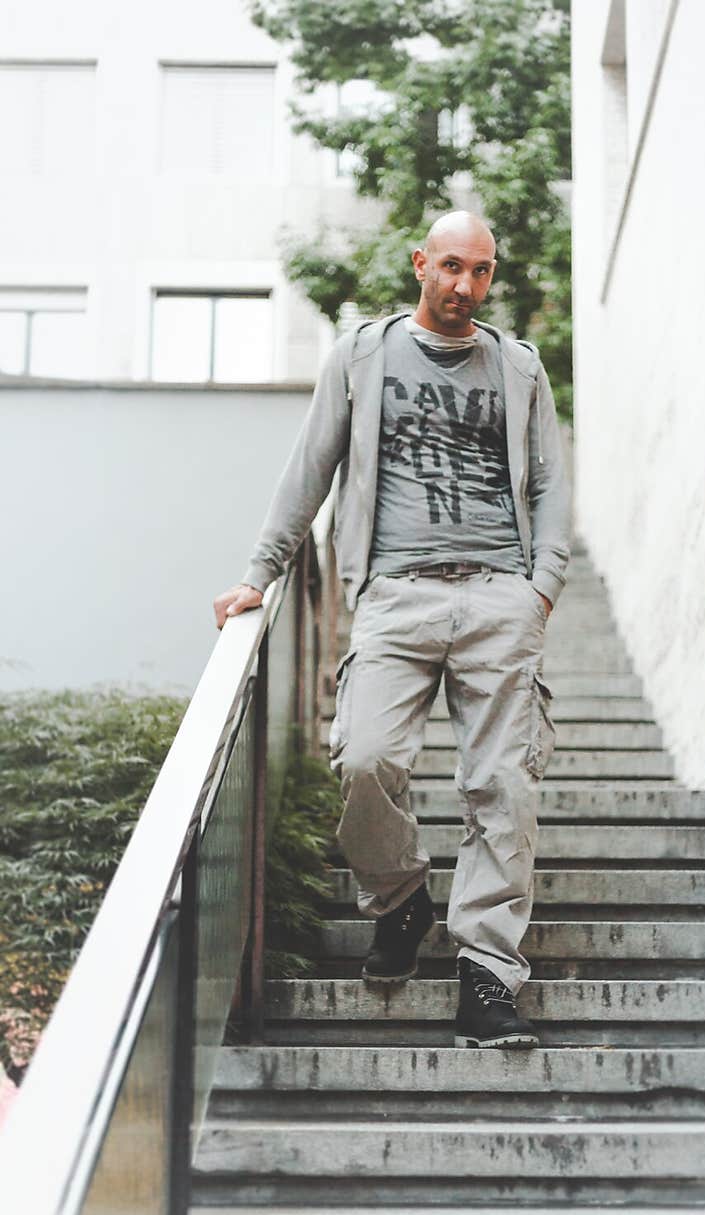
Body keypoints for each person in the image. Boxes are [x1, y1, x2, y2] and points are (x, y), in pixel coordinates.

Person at [213, 210, 571, 1048]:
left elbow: (551, 484)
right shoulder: (364, 355)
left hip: (499, 599)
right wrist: (259, 574)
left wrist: (542, 588)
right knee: (365, 757)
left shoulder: (518, 366)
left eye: (481, 272)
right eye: (450, 267)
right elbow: (309, 470)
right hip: (395, 595)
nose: (464, 287)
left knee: (502, 790)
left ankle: (487, 979)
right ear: (420, 263)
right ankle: (401, 898)